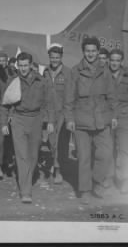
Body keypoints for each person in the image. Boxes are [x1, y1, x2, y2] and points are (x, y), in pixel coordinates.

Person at [64, 37, 118, 205]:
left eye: (93, 51)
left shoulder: (105, 71)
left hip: (101, 119)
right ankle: (85, 190)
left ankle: (96, 180)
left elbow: (112, 96)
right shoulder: (75, 71)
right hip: (81, 120)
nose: (90, 54)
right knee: (84, 156)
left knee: (106, 152)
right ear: (83, 52)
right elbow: (69, 99)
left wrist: (114, 115)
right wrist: (69, 119)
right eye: (87, 51)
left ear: (98, 51)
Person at [1, 52, 54, 204]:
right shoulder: (13, 81)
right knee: (22, 156)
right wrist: (4, 123)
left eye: (25, 65)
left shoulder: (41, 81)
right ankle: (26, 191)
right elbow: (4, 104)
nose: (23, 69)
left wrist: (50, 121)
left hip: (36, 120)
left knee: (32, 155)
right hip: (18, 120)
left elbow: (49, 102)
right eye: (20, 66)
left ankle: (29, 175)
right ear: (17, 65)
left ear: (31, 65)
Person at [42, 43, 72, 185]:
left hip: (62, 114)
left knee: (60, 143)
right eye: (52, 57)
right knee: (52, 142)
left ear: (61, 57)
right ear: (49, 57)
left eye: (57, 57)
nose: (54, 60)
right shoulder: (45, 72)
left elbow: (70, 95)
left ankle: (58, 171)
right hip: (49, 113)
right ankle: (56, 166)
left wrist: (68, 115)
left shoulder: (68, 73)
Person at [108, 49, 128, 194]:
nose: (115, 63)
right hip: (108, 117)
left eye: (118, 60)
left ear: (121, 62)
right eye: (112, 60)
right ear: (109, 61)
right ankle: (109, 178)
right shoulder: (103, 75)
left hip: (123, 117)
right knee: (108, 149)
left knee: (124, 149)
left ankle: (124, 180)